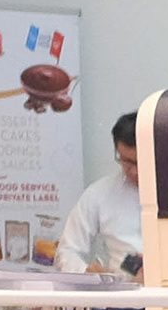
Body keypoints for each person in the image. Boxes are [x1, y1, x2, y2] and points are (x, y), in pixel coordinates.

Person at [57, 110, 144, 278]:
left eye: (140, 162)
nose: (134, 171)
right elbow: (67, 251)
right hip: (123, 289)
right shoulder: (100, 193)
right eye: (126, 161)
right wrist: (85, 272)